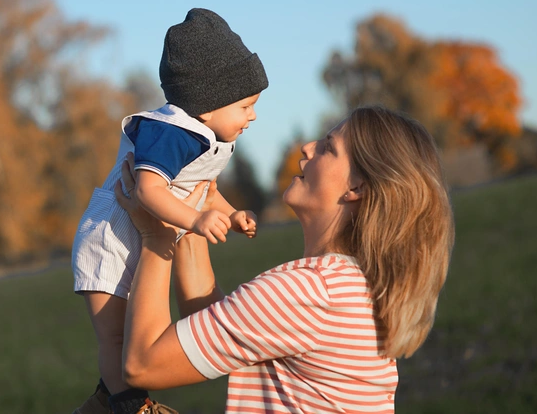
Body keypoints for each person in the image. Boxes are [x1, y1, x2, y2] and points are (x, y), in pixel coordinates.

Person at [115, 106, 455, 413]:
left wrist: (156, 237)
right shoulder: (350, 286)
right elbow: (212, 331)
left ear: (357, 187)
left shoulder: (312, 292)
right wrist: (188, 220)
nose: (308, 148)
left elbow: (142, 364)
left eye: (328, 147)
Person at [72, 8, 269, 414]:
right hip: (108, 241)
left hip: (141, 238)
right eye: (245, 106)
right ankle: (130, 406)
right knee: (114, 339)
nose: (253, 116)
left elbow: (201, 190)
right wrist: (195, 220)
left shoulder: (207, 134)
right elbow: (148, 188)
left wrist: (230, 214)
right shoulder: (170, 132)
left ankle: (112, 401)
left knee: (136, 333)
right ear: (208, 104)